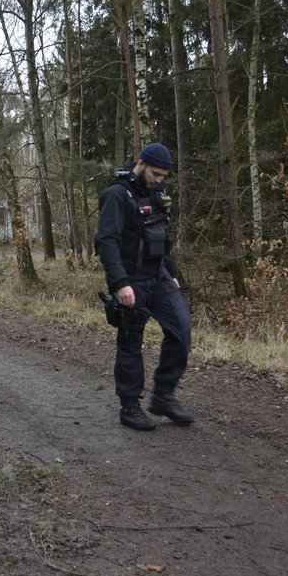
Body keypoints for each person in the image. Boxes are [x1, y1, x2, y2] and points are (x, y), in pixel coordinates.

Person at [95, 142, 194, 431]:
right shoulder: (116, 195)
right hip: (131, 279)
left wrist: (171, 272)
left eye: (164, 176)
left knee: (181, 329)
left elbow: (162, 236)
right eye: (156, 174)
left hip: (159, 275)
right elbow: (107, 241)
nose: (160, 180)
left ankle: (163, 395)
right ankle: (130, 406)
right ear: (141, 164)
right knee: (131, 342)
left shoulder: (156, 192)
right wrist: (120, 283)